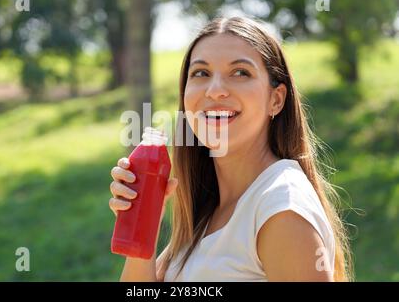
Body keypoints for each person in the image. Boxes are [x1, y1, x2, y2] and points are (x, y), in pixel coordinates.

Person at [109, 16, 352, 282]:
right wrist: (144, 220)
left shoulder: (282, 206)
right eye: (201, 73)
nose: (215, 90)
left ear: (276, 99)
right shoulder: (207, 215)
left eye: (240, 73)